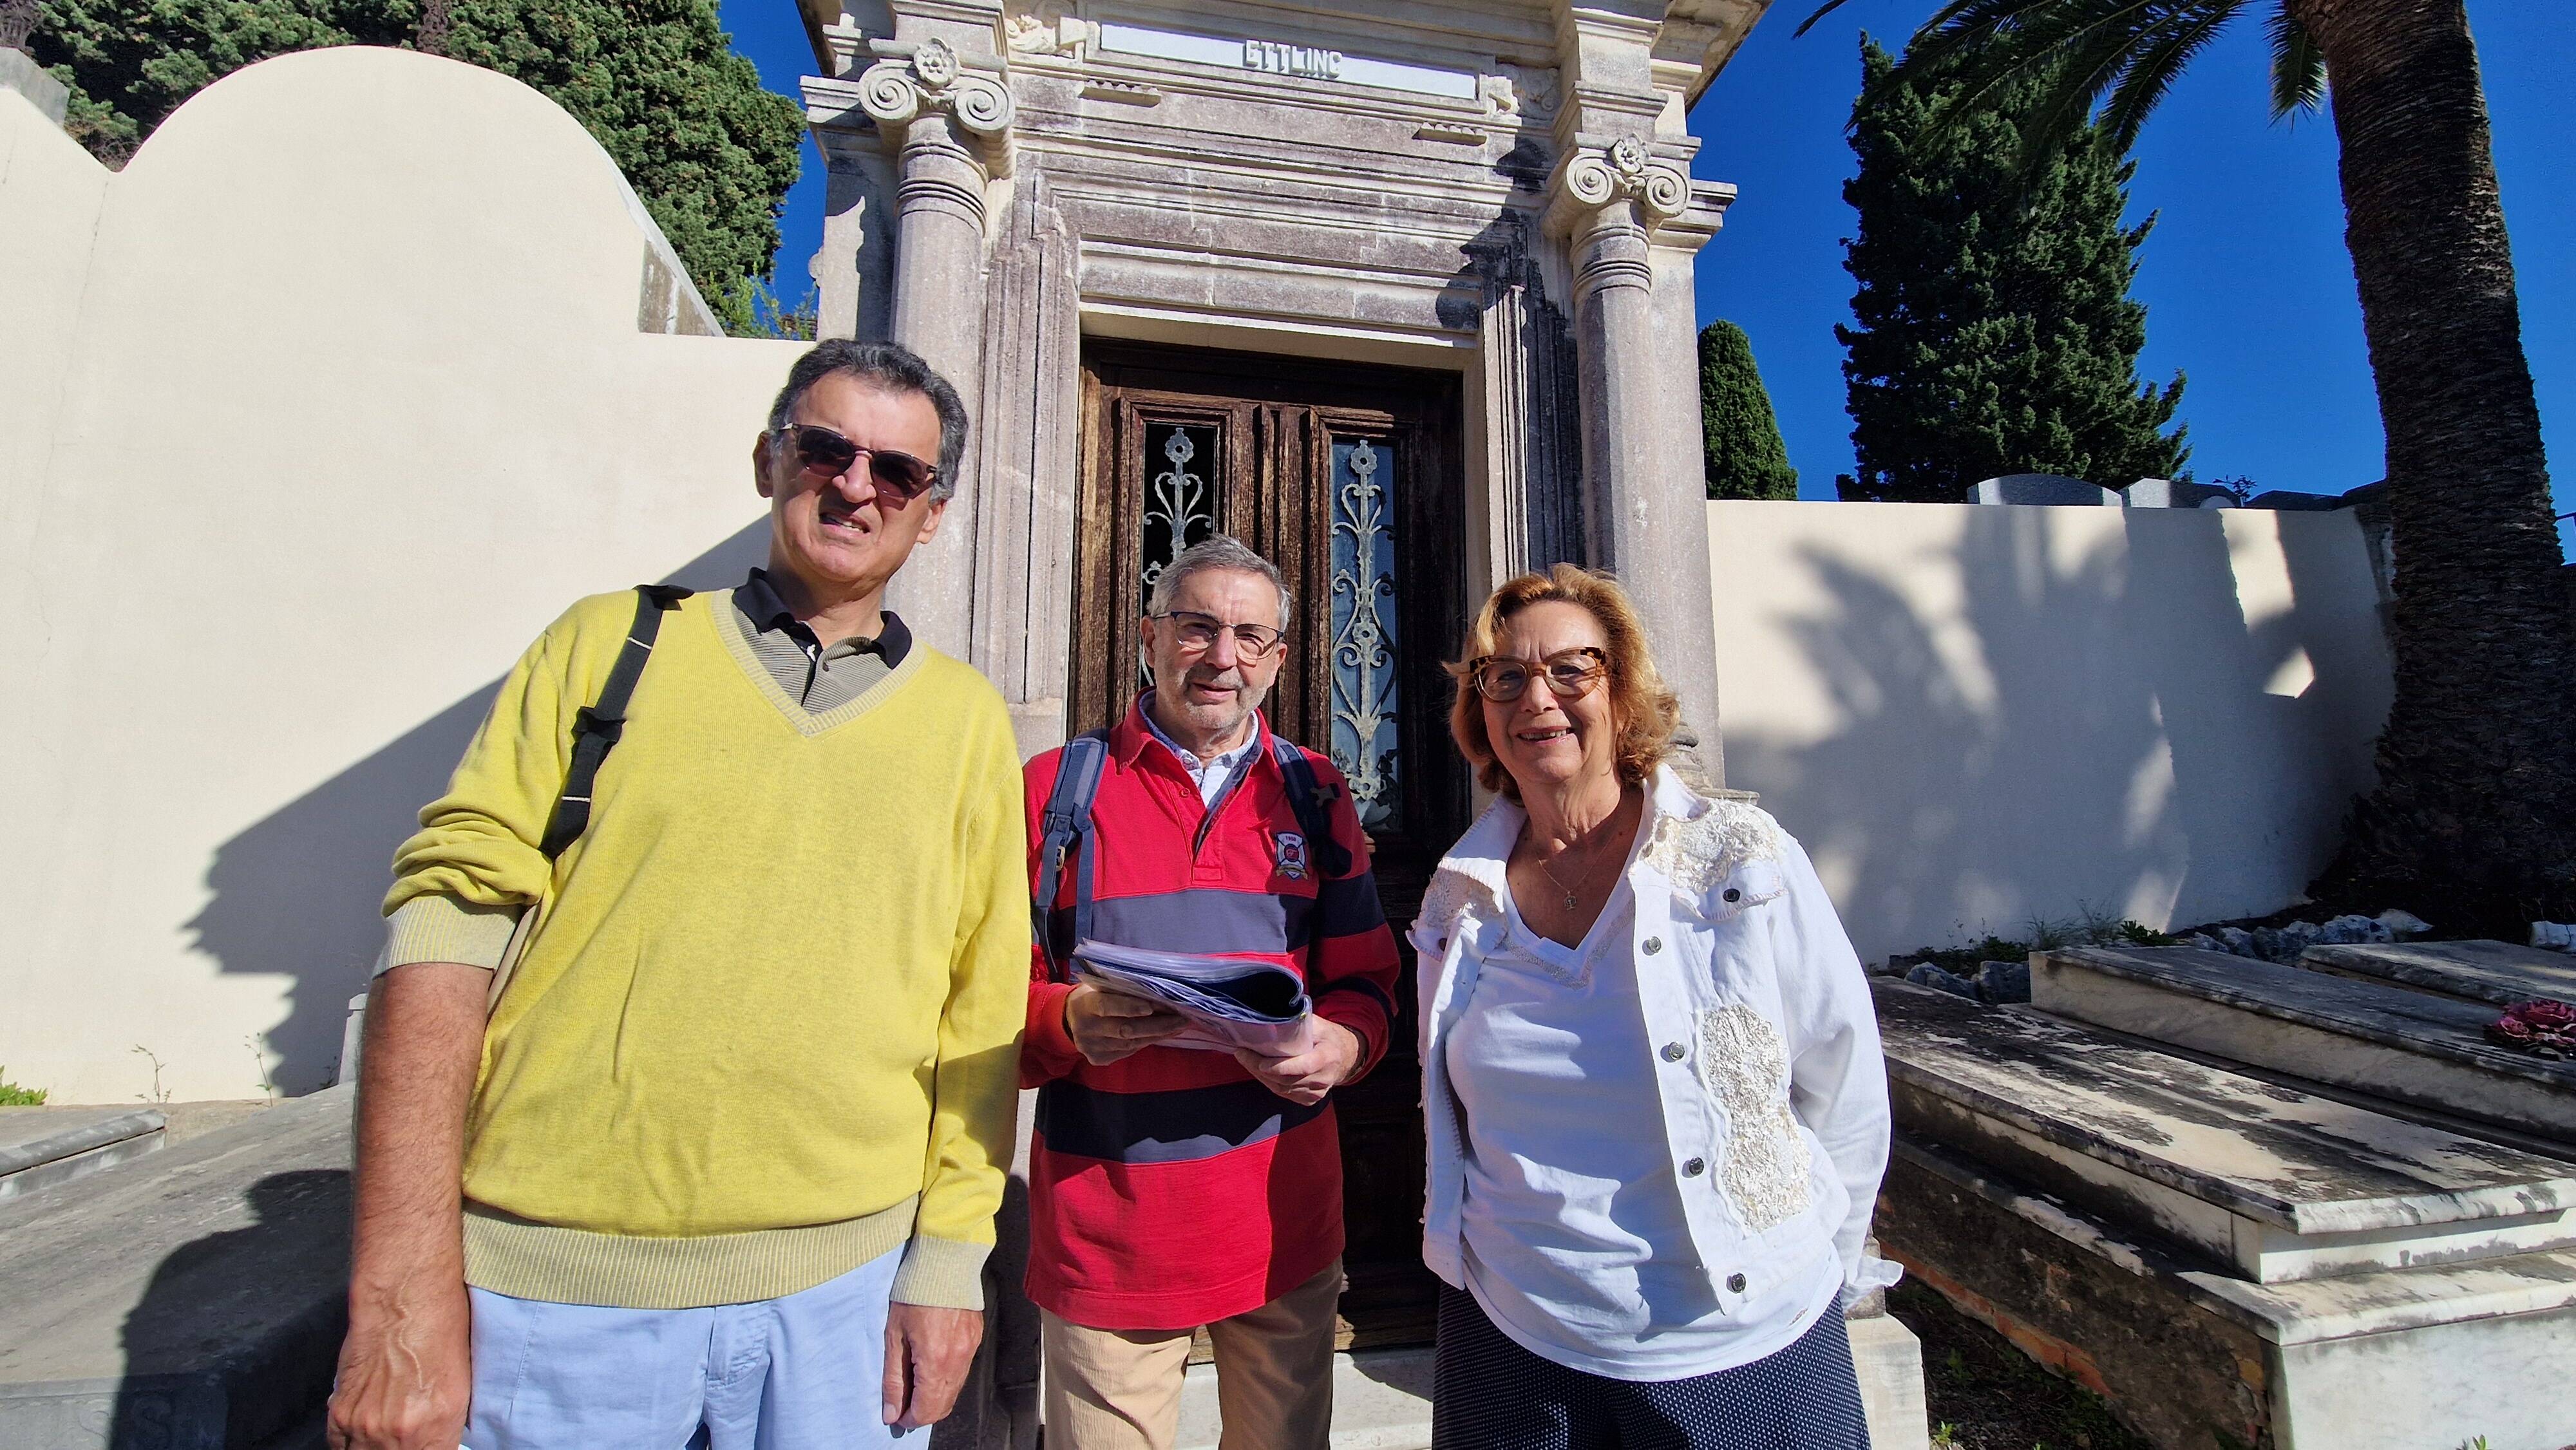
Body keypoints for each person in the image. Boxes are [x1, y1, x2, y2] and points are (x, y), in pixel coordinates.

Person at [327, 340, 1030, 1450]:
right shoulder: (607, 647)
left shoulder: (968, 722)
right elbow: (443, 933)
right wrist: (399, 1296)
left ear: (931, 512)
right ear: (769, 459)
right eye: (826, 449)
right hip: (559, 1300)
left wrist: (947, 1264)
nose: (856, 485)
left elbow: (978, 1012)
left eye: (897, 472)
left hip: (844, 1296)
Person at [1409, 565, 1892, 1449]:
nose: (1536, 698)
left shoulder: (1739, 858)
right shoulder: (1459, 899)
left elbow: (1845, 1077)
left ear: (1624, 693)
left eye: (1571, 669)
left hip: (1739, 1338)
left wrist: (1817, 1264)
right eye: (1504, 677)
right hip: (1512, 1331)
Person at [1018, 536, 1402, 1450]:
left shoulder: (1316, 791)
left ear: (1275, 660)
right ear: (1150, 638)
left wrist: (1341, 1047)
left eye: (1247, 636)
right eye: (1196, 628)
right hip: (1106, 1235)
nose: (1221, 658)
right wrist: (1067, 1020)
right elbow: (980, 1002)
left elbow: (1368, 989)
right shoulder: (1054, 792)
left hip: (1282, 1228)